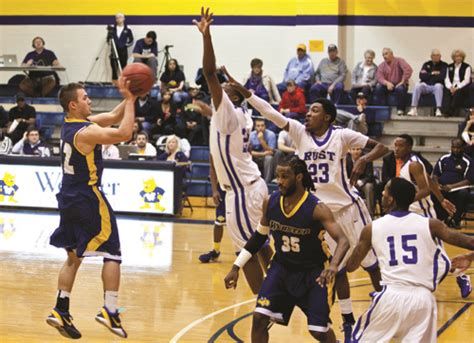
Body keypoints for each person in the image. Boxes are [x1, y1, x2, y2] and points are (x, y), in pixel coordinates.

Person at [225, 67, 390, 342]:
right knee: (335, 269)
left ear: (327, 116)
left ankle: (386, 308)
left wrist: (363, 159)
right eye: (308, 110)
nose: (307, 114)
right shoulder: (300, 133)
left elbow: (381, 147)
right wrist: (245, 92)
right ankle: (347, 320)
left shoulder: (342, 136)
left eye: (313, 111)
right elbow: (270, 112)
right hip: (319, 210)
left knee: (369, 264)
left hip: (348, 208)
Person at [224, 156, 350, 343]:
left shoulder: (317, 208)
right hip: (281, 269)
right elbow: (259, 237)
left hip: (313, 273)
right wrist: (236, 267)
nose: (279, 182)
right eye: (277, 176)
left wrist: (333, 266)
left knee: (319, 332)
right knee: (259, 318)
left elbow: (343, 240)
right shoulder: (271, 202)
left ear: (298, 177)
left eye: (285, 177)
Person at [46, 80, 136, 339]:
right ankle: (110, 309)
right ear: (73, 104)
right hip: (88, 197)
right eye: (85, 98)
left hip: (67, 197)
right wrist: (130, 101)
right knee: (114, 252)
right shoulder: (85, 133)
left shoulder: (70, 124)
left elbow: (111, 116)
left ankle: (60, 309)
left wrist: (131, 96)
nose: (90, 101)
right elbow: (124, 134)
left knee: (74, 257)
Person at [193, 8, 273, 295]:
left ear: (232, 96)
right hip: (250, 186)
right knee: (262, 244)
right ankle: (278, 291)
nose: (220, 88)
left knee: (245, 251)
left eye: (225, 88)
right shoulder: (237, 114)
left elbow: (208, 73)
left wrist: (207, 36)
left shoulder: (227, 110)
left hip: (241, 191)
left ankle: (265, 304)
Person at [347, 177, 474, 343]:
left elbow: (351, 266)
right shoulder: (431, 225)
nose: (383, 193)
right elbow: (470, 242)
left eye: (385, 190)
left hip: (391, 297)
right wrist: (471, 257)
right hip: (423, 300)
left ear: (391, 199)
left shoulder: (372, 228)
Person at [393, 134, 470, 298]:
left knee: (434, 254)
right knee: (413, 253)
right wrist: (442, 200)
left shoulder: (413, 164)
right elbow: (430, 181)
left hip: (423, 215)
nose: (396, 149)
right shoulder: (407, 163)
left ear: (409, 147)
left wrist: (404, 200)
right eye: (395, 145)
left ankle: (460, 274)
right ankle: (394, 288)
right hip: (410, 213)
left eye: (400, 146)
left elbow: (425, 189)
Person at [433, 138, 474, 228]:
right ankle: (442, 218)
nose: (455, 150)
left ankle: (455, 220)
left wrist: (452, 186)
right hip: (443, 187)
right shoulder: (444, 158)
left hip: (459, 188)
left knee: (463, 193)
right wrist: (437, 185)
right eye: (453, 147)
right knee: (433, 192)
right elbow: (435, 174)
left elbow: (469, 180)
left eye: (458, 147)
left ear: (463, 148)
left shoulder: (468, 161)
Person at [199, 156, 227, 263]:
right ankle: (216, 250)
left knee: (242, 222)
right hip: (223, 188)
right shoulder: (215, 144)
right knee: (219, 221)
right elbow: (213, 168)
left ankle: (249, 250)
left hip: (238, 187)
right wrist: (214, 190)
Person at [407, 49, 448, 117]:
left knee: (438, 86)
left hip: (436, 86)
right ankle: (413, 108)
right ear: (431, 56)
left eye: (437, 55)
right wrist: (432, 73)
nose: (435, 57)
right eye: (434, 55)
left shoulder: (444, 65)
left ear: (440, 56)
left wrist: (428, 75)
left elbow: (442, 77)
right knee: (417, 85)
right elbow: (422, 76)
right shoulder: (426, 64)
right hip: (426, 85)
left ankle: (438, 109)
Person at [374, 48, 413, 115]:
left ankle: (400, 110)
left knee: (400, 88)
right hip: (388, 85)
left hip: (399, 84)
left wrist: (402, 81)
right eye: (383, 55)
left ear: (392, 54)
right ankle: (383, 109)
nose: (384, 56)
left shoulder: (399, 60)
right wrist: (386, 83)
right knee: (378, 88)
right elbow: (379, 76)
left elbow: (408, 70)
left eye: (386, 54)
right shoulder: (382, 65)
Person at [346, 146, 375, 216]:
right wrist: (350, 181)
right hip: (349, 183)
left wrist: (359, 182)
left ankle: (370, 214)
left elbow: (369, 175)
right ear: (349, 151)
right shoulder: (345, 159)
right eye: (353, 149)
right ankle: (348, 213)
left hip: (362, 183)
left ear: (361, 151)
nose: (356, 152)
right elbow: (343, 174)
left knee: (369, 186)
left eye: (358, 149)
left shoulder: (367, 159)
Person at [443, 49, 472, 117]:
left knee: (458, 92)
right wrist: (450, 87)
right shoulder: (449, 66)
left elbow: (466, 80)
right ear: (454, 58)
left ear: (462, 57)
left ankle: (451, 111)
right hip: (451, 86)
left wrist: (457, 88)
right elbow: (446, 78)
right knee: (446, 91)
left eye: (460, 56)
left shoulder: (467, 67)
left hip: (462, 86)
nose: (458, 58)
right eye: (456, 56)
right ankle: (446, 111)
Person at [249, 118, 277, 183]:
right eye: (258, 126)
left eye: (262, 125)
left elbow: (271, 152)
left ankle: (267, 182)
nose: (260, 128)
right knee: (247, 157)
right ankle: (251, 180)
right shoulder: (250, 135)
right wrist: (263, 154)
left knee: (269, 158)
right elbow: (248, 152)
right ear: (254, 127)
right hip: (255, 157)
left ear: (265, 126)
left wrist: (261, 140)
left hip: (265, 158)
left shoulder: (271, 135)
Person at [109, 13, 134, 83]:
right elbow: (108, 39)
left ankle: (123, 82)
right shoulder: (112, 28)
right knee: (114, 66)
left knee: (123, 66)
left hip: (123, 50)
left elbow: (131, 40)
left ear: (123, 18)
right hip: (114, 50)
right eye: (117, 18)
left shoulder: (128, 28)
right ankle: (114, 82)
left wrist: (125, 45)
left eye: (120, 17)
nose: (119, 19)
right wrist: (111, 43)